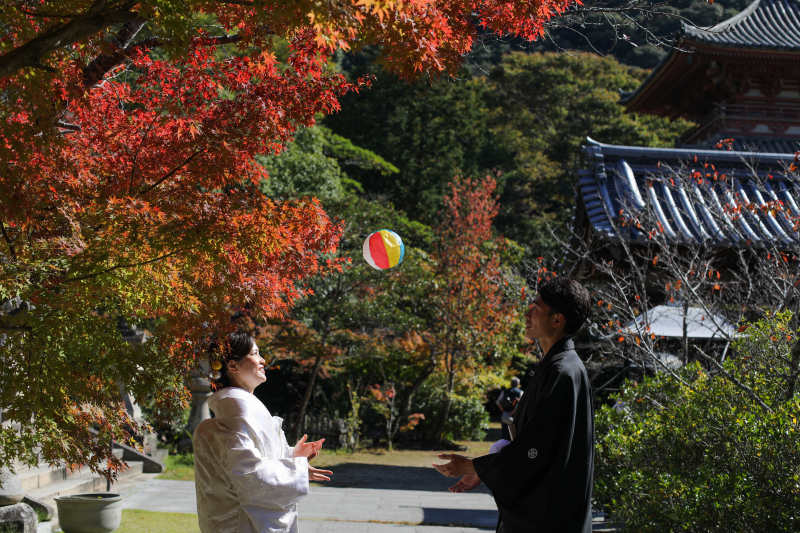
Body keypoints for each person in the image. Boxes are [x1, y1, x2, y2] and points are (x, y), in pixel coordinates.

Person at [433, 277, 594, 533]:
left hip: (550, 518)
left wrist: (475, 465)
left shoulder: (563, 371)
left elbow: (536, 447)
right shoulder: (557, 365)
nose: (527, 315)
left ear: (557, 320)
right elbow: (527, 438)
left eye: (535, 309)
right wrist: (484, 470)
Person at [193, 332, 332, 533]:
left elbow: (255, 456)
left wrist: (291, 455)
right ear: (233, 366)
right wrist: (296, 470)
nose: (262, 360)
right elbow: (249, 474)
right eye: (255, 353)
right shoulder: (237, 413)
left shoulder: (244, 409)